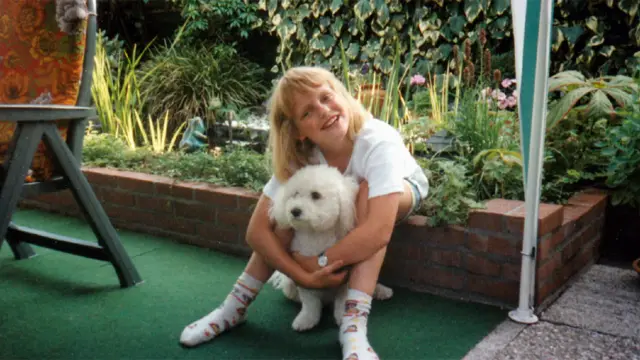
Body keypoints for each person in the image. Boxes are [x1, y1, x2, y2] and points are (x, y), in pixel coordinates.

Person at [179, 66, 429, 360]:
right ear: (297, 131)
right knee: (288, 216)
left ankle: (353, 326)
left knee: (363, 196)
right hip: (339, 215)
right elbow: (257, 232)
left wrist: (317, 261)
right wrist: (304, 277)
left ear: (342, 95)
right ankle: (233, 308)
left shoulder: (376, 140)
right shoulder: (303, 156)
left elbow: (377, 231)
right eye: (308, 112)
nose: (324, 110)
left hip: (401, 190)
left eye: (326, 97)